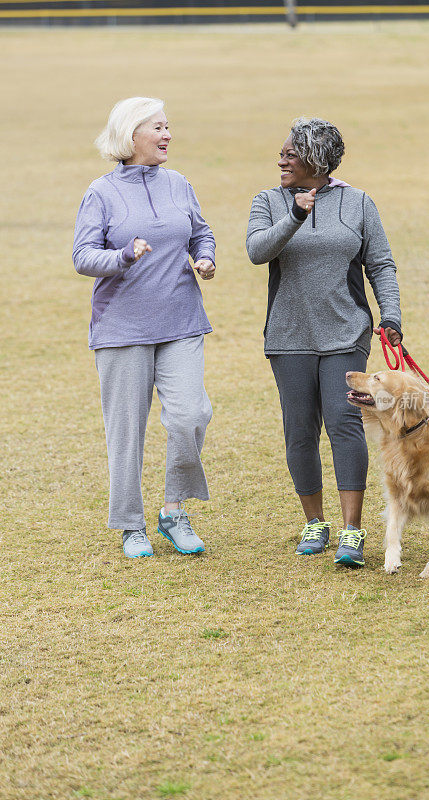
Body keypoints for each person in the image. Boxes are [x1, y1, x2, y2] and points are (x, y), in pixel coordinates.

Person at [246, 117, 402, 567]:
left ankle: (352, 531)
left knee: (344, 422)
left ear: (316, 160)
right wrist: (295, 213)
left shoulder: (357, 203)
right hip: (289, 335)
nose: (281, 160)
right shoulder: (268, 201)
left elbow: (381, 264)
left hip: (345, 332)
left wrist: (390, 314)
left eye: (290, 154)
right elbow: (258, 251)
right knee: (300, 429)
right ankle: (315, 523)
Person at [73, 96, 216, 559]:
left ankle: (174, 510)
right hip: (121, 329)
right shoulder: (101, 192)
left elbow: (200, 231)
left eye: (168, 126)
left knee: (192, 415)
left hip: (181, 321)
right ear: (131, 135)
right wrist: (122, 256)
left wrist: (205, 256)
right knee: (126, 433)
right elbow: (83, 256)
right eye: (158, 128)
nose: (167, 135)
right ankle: (130, 524)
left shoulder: (178, 183)